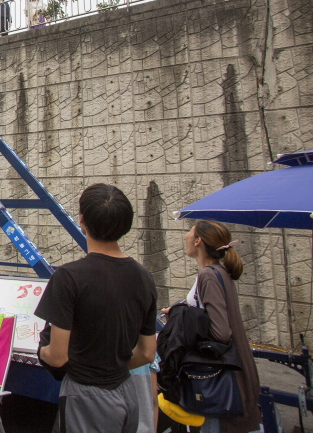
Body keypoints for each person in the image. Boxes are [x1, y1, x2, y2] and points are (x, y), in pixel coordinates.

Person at [35, 183, 157, 433]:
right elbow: (147, 353)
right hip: (126, 390)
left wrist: (42, 352)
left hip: (86, 395)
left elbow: (58, 356)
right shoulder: (144, 277)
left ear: (82, 220)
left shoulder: (69, 276)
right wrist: (112, 366)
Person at [180, 220, 262, 433]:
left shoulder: (208, 275)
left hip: (219, 380)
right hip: (235, 371)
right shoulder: (219, 271)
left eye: (190, 232)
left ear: (198, 241)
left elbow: (221, 332)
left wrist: (187, 320)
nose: (186, 236)